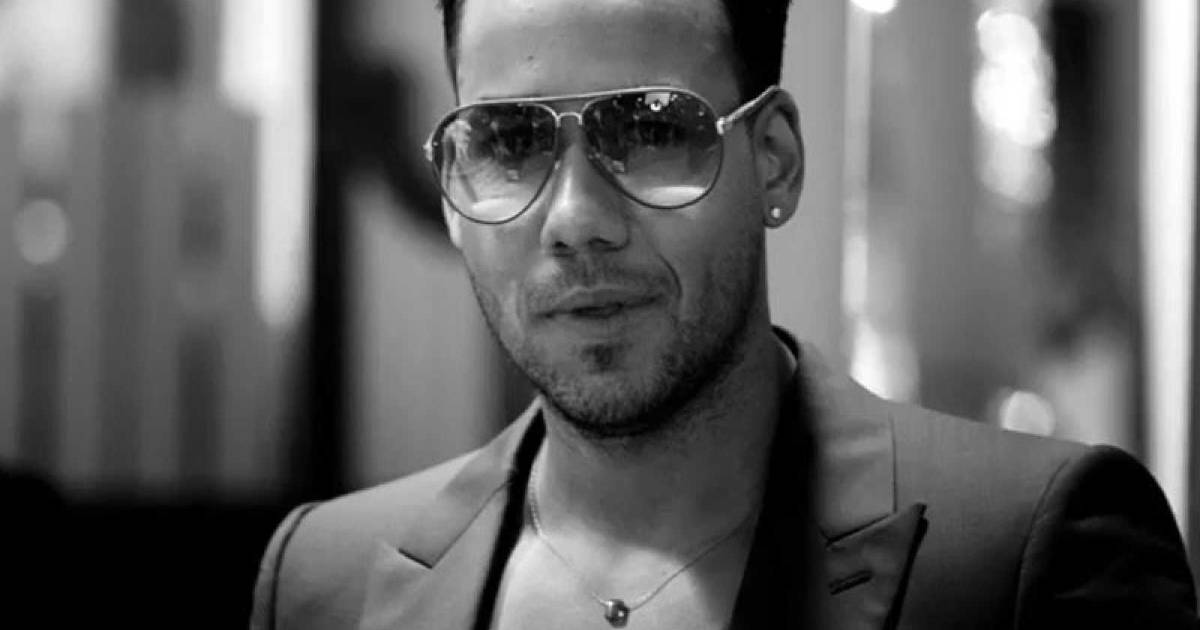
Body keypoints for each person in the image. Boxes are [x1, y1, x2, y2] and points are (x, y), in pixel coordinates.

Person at [250, 0, 1199, 628]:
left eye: (651, 128)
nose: (575, 220)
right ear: (453, 189)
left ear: (774, 160)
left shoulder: (1034, 552)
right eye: (507, 141)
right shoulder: (321, 581)